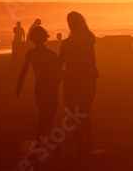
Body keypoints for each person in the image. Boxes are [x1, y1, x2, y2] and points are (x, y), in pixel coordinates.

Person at [16, 26, 64, 155]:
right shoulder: (51, 53)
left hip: (41, 88)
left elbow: (23, 72)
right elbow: (60, 72)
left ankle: (43, 141)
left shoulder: (31, 54)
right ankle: (48, 142)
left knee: (45, 115)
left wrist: (19, 86)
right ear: (45, 38)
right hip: (51, 87)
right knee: (48, 116)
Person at [59, 12, 99, 155]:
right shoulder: (89, 39)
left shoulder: (67, 44)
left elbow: (60, 64)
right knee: (84, 114)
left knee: (75, 116)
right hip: (87, 81)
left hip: (72, 82)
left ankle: (80, 148)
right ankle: (88, 145)